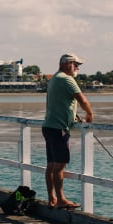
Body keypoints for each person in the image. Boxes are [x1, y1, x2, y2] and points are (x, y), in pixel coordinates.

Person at [42, 52, 94, 210]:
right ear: (67, 64)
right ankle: (61, 200)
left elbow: (62, 103)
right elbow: (82, 100)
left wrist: (72, 116)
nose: (77, 68)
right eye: (76, 64)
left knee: (51, 164)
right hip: (59, 128)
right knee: (59, 165)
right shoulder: (66, 79)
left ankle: (52, 198)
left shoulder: (55, 78)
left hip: (49, 126)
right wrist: (90, 115)